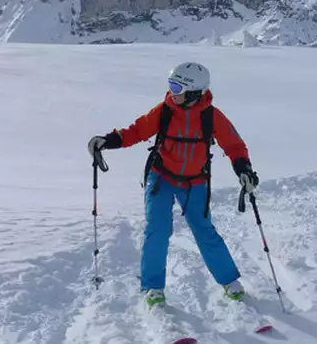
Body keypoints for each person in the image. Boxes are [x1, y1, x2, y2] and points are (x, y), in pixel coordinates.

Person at [87, 62, 259, 308]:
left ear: (193, 92)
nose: (171, 91)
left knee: (204, 231)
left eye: (176, 87)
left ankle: (229, 281)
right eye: (171, 85)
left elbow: (234, 146)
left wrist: (244, 170)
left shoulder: (211, 116)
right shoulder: (164, 110)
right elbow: (136, 131)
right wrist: (107, 141)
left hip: (195, 182)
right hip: (161, 178)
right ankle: (153, 287)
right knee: (157, 230)